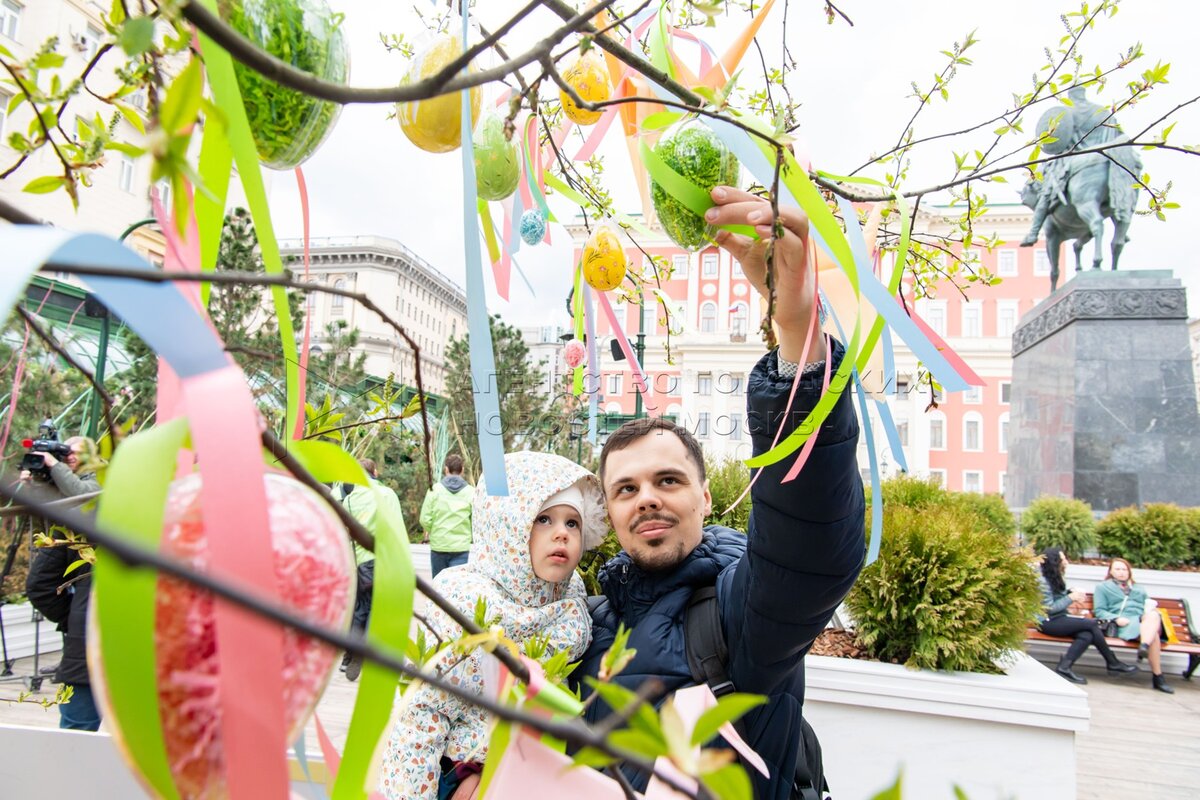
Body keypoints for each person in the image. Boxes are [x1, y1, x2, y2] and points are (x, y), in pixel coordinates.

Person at [567, 186, 865, 800]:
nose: (646, 498)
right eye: (626, 489)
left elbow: (809, 547)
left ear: (705, 499)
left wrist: (796, 330)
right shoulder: (583, 627)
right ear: (610, 512)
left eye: (668, 480)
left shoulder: (744, 614)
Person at [379, 451, 606, 800]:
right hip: (461, 771)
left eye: (572, 523)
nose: (562, 533)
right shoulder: (470, 604)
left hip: (532, 773)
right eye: (544, 519)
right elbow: (424, 713)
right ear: (509, 526)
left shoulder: (571, 601)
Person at [20, 436, 103, 731]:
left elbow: (39, 585)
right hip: (147, 648)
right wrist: (36, 487)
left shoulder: (93, 492)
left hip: (87, 645)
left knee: (76, 732)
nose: (68, 457)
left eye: (74, 453)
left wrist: (77, 616)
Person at [340, 457, 406, 682]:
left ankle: (351, 654)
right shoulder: (387, 494)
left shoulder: (350, 499)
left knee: (361, 609)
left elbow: (347, 531)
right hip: (385, 560)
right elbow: (397, 528)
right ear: (375, 472)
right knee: (380, 608)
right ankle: (367, 652)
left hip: (361, 562)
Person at [1036, 547, 1137, 684]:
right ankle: (1112, 662)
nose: (1066, 562)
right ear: (1054, 561)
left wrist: (1069, 592)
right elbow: (1048, 609)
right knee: (1092, 624)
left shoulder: (1053, 574)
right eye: (1063, 559)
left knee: (1087, 635)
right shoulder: (1042, 581)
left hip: (1059, 618)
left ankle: (1064, 667)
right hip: (1047, 622)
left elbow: (1057, 596)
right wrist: (1071, 597)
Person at [1094, 558, 1174, 694]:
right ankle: (1157, 676)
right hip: (1125, 623)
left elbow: (1147, 606)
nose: (1121, 572)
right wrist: (1116, 618)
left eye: (1124, 569)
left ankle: (1144, 645)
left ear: (1129, 572)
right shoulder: (1103, 587)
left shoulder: (1139, 588)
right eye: (1117, 569)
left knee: (1153, 615)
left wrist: (1151, 610)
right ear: (1110, 571)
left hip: (1143, 621)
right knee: (1153, 636)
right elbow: (1099, 611)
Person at [421, 453, 473, 577]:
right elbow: (476, 520)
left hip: (439, 546)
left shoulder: (434, 490)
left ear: (446, 469)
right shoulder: (471, 492)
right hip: (461, 547)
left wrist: (434, 531)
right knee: (457, 585)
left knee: (439, 584)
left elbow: (424, 519)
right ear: (462, 470)